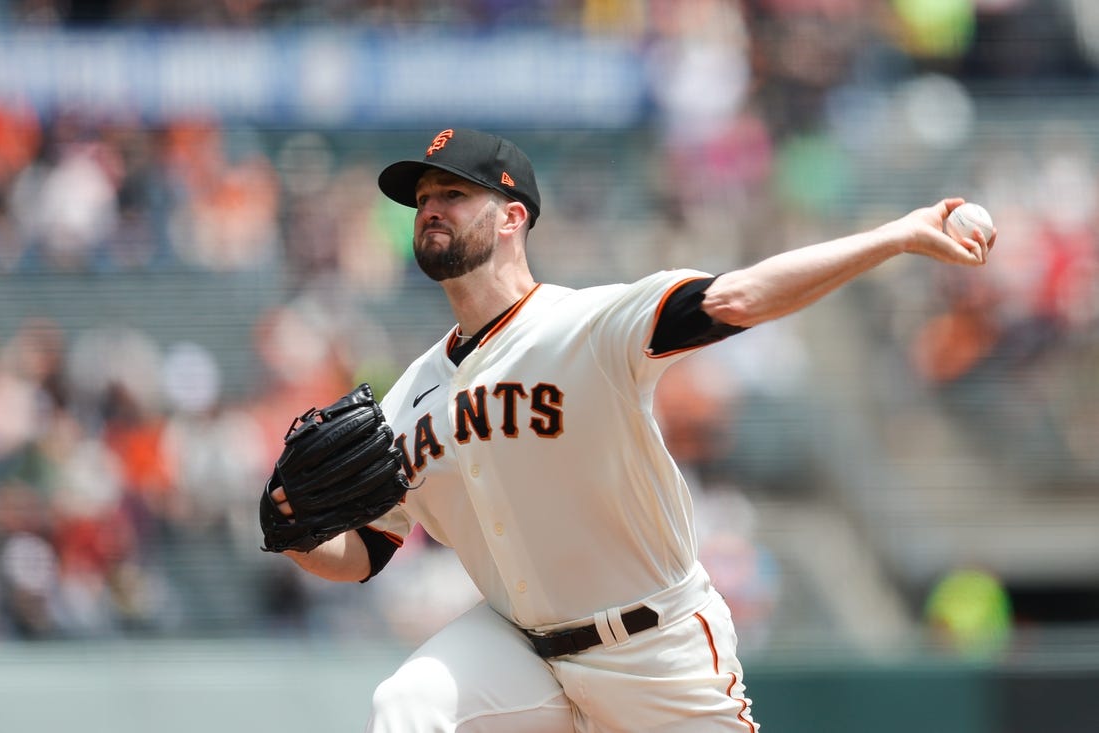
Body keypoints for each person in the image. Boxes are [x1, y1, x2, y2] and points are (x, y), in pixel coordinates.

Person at [270, 128, 996, 732]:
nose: (431, 208)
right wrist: (300, 534)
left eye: (453, 194)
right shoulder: (410, 398)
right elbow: (365, 551)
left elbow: (738, 296)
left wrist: (897, 237)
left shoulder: (590, 323)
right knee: (408, 706)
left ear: (512, 215)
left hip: (656, 649)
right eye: (424, 198)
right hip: (520, 649)